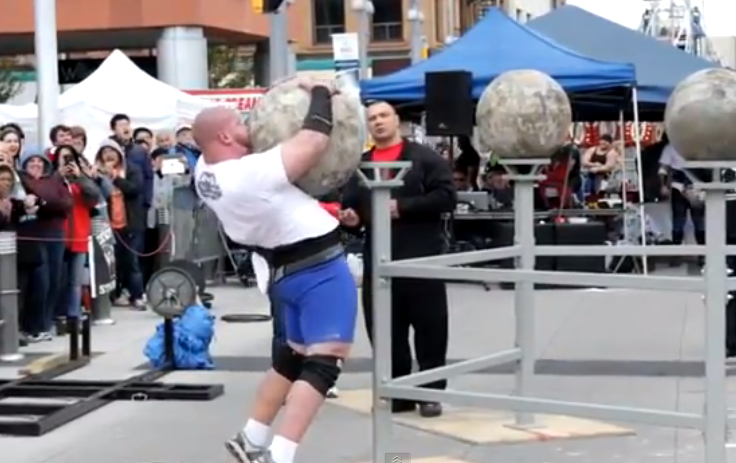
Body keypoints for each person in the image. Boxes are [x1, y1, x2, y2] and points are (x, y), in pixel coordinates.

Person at [192, 79, 356, 463]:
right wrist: (320, 92)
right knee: (326, 359)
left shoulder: (205, 171)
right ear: (225, 135)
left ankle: (252, 437)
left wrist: (285, 87)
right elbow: (314, 140)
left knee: (292, 357)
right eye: (240, 122)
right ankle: (281, 455)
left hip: (281, 271)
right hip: (318, 269)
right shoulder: (250, 174)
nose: (250, 124)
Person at [341, 100, 456, 418]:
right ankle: (399, 391)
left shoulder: (424, 158)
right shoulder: (361, 164)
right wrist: (351, 218)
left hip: (420, 258)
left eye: (383, 116)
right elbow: (351, 206)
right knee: (385, 330)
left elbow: (446, 197)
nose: (378, 122)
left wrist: (402, 207)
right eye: (372, 118)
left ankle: (430, 393)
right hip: (378, 260)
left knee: (430, 329)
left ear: (396, 120)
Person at [18, 148, 72, 339]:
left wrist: (44, 204)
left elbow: (66, 203)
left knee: (55, 280)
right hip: (33, 235)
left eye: (39, 161)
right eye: (31, 161)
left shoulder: (53, 180)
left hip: (56, 234)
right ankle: (34, 325)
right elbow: (34, 201)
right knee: (41, 282)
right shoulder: (23, 181)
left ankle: (46, 323)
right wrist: (49, 203)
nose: (36, 164)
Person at [95, 139, 147, 310]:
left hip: (130, 222)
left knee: (132, 261)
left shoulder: (131, 169)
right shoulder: (97, 173)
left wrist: (116, 178)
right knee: (112, 263)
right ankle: (116, 294)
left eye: (112, 151)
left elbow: (135, 189)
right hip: (109, 224)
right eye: (105, 152)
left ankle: (137, 295)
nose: (109, 155)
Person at [53, 145, 100, 325]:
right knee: (59, 279)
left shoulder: (81, 180)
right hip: (58, 236)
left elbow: (94, 196)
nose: (67, 162)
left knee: (75, 281)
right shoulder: (52, 179)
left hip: (79, 234)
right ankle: (58, 315)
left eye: (70, 158)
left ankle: (74, 316)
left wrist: (80, 176)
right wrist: (58, 175)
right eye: (63, 158)